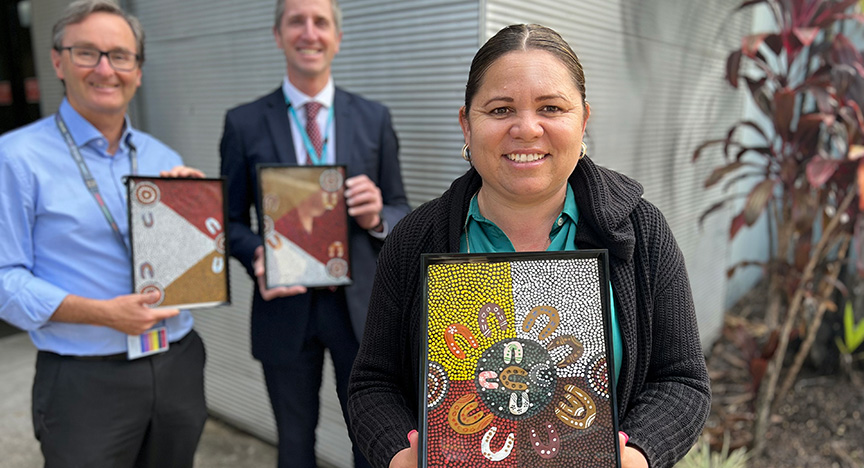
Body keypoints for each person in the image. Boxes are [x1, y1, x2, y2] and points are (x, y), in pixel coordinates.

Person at [347, 24, 711, 468]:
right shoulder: (413, 240)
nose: (526, 128)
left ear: (583, 120)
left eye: (551, 107)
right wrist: (399, 456)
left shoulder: (642, 230)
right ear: (466, 123)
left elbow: (681, 380)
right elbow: (372, 384)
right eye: (500, 110)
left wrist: (635, 455)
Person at [0, 1, 208, 466]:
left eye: (120, 55)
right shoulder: (14, 159)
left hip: (176, 362)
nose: (105, 69)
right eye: (86, 53)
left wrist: (195, 217)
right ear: (57, 60)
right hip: (84, 382)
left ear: (137, 69)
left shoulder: (161, 156)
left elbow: (182, 270)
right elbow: (3, 279)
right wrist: (102, 314)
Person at [219, 0, 410, 466]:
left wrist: (376, 216)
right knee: (294, 443)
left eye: (320, 22)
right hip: (285, 304)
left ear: (337, 39)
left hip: (360, 309)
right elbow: (226, 222)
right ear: (278, 34)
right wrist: (257, 254)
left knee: (372, 444)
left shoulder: (373, 118)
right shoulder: (243, 122)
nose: (309, 32)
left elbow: (402, 208)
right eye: (296, 21)